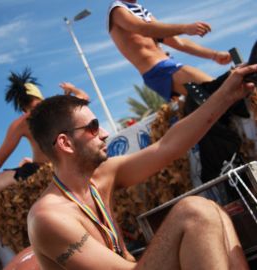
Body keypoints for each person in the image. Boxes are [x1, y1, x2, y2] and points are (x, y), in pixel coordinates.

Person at [27, 64, 257, 269]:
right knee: (194, 212)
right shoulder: (49, 217)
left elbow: (167, 147)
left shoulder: (100, 177)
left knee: (215, 211)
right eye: (93, 127)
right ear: (65, 143)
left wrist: (226, 95)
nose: (105, 133)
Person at [0, 69, 89, 264]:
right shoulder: (57, 107)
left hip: (36, 170)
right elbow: (84, 98)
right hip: (61, 165)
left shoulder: (23, 121)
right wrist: (72, 89)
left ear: (19, 102)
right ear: (37, 94)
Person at [107, 0, 232, 101]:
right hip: (158, 70)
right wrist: (185, 28)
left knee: (215, 102)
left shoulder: (141, 10)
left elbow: (178, 42)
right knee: (219, 91)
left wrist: (214, 55)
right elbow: (143, 29)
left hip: (167, 66)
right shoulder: (117, 10)